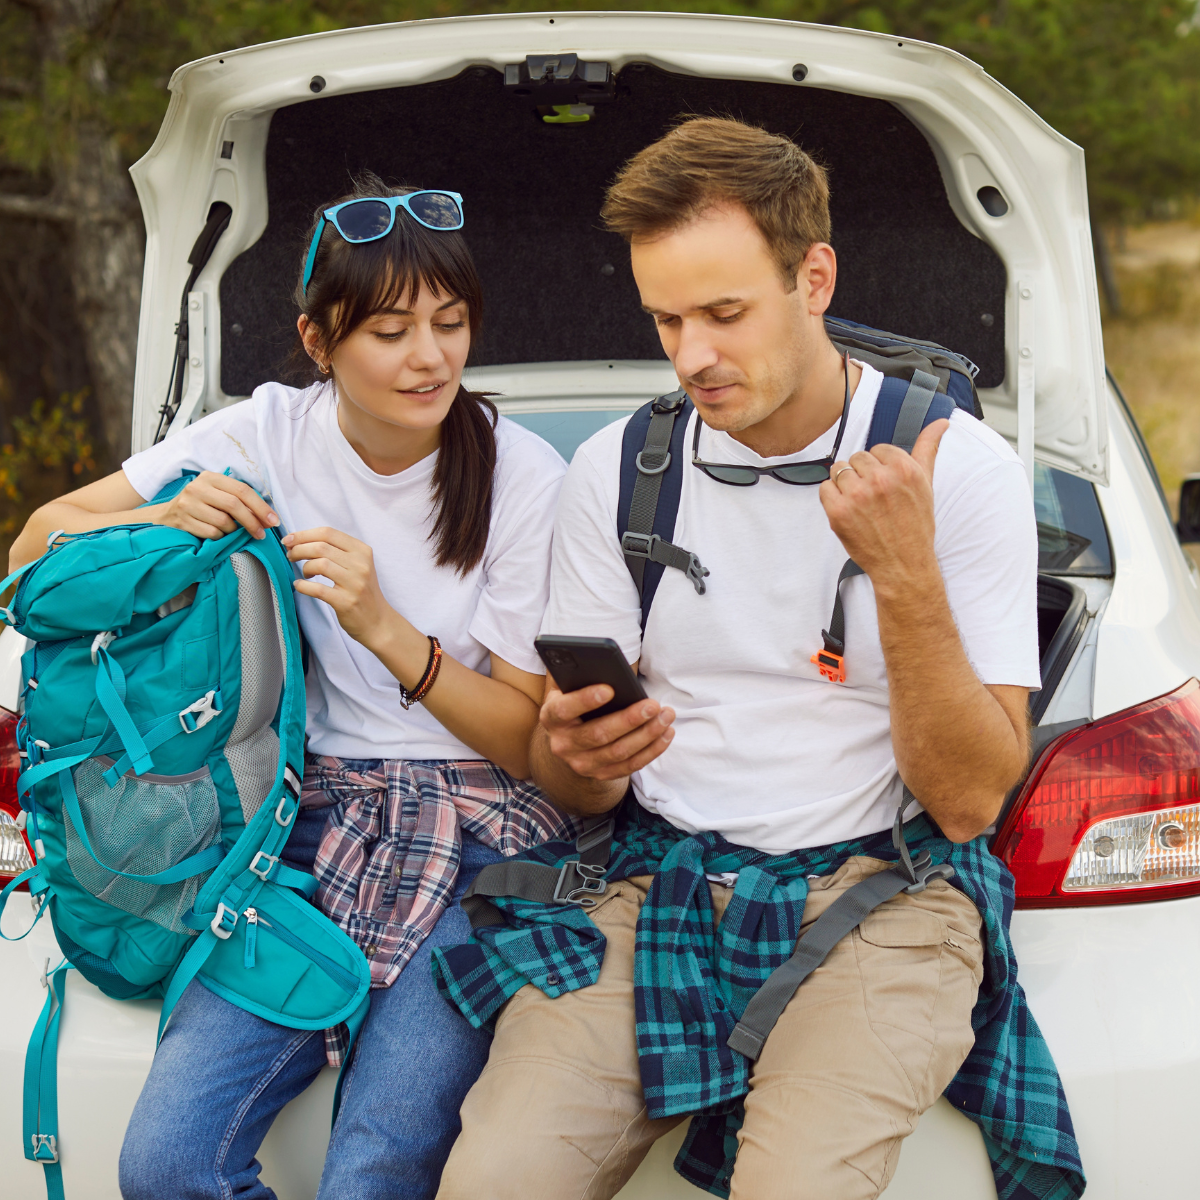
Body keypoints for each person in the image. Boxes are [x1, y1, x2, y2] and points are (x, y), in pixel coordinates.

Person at [431, 119, 1084, 1200]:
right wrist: (580, 752)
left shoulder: (954, 469)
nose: (692, 356)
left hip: (888, 892)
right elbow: (576, 778)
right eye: (666, 319)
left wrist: (904, 574)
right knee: (491, 1182)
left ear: (813, 276)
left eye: (724, 314)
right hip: (660, 883)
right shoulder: (619, 470)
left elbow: (970, 801)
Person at [10, 172, 580, 1200]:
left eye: (451, 324)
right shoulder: (265, 430)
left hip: (482, 846)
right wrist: (155, 521)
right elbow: (35, 543)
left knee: (374, 1169)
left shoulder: (523, 473)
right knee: (167, 1164)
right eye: (392, 331)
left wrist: (388, 633)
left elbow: (527, 740)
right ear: (319, 341)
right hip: (297, 833)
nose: (431, 357)